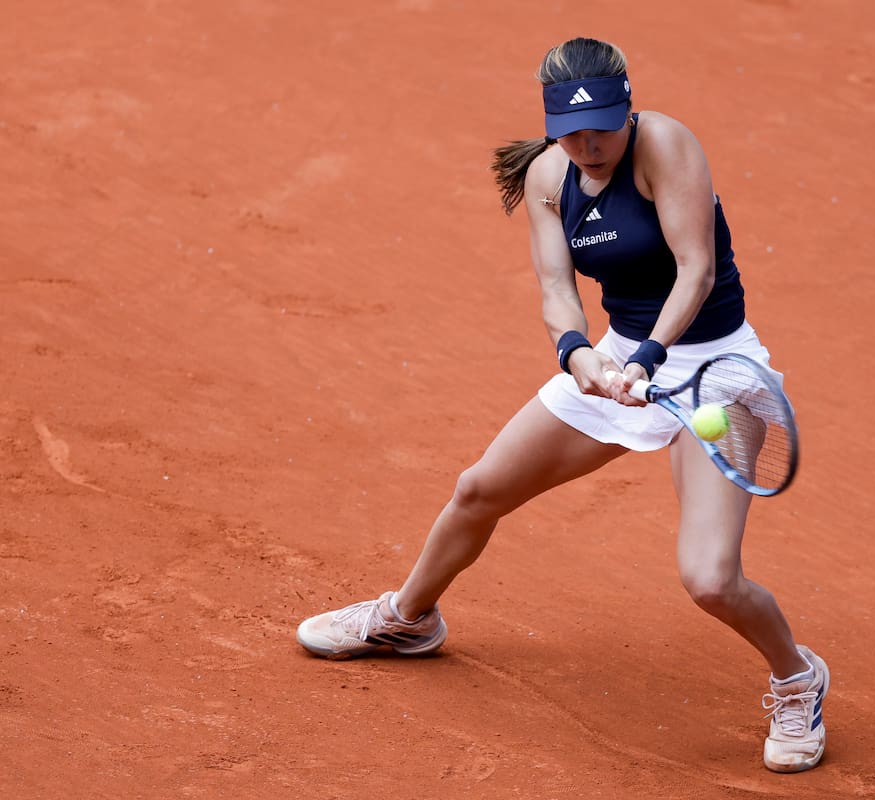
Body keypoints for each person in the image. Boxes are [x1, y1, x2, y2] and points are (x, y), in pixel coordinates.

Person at [296, 36, 829, 774]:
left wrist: (647, 358)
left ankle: (797, 678)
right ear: (550, 123)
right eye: (573, 131)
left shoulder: (667, 145)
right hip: (621, 363)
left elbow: (697, 270)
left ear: (628, 109)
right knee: (479, 488)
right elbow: (555, 288)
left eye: (604, 126)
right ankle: (407, 620)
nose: (590, 143)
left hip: (717, 379)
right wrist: (580, 355)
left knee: (710, 579)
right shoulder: (551, 175)